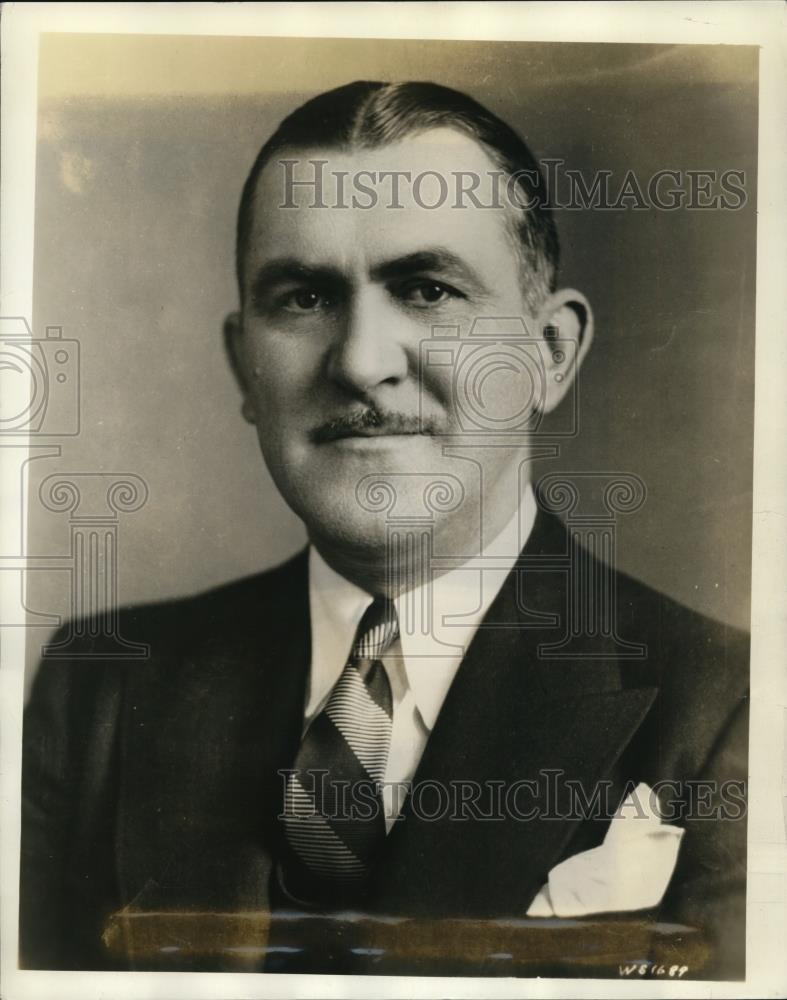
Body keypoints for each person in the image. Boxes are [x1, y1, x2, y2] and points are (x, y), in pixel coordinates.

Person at [20, 81, 749, 979]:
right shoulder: (97, 689)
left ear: (549, 354)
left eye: (427, 289)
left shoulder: (731, 707)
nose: (362, 363)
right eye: (303, 298)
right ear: (244, 365)